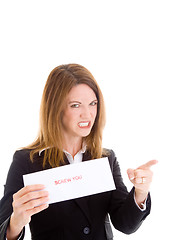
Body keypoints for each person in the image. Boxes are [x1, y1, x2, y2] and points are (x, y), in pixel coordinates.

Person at [0, 64, 157, 240]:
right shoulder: (26, 161)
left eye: (93, 104)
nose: (87, 114)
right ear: (55, 109)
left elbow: (125, 224)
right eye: (76, 105)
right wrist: (15, 223)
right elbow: (3, 228)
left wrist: (140, 192)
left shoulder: (106, 158)